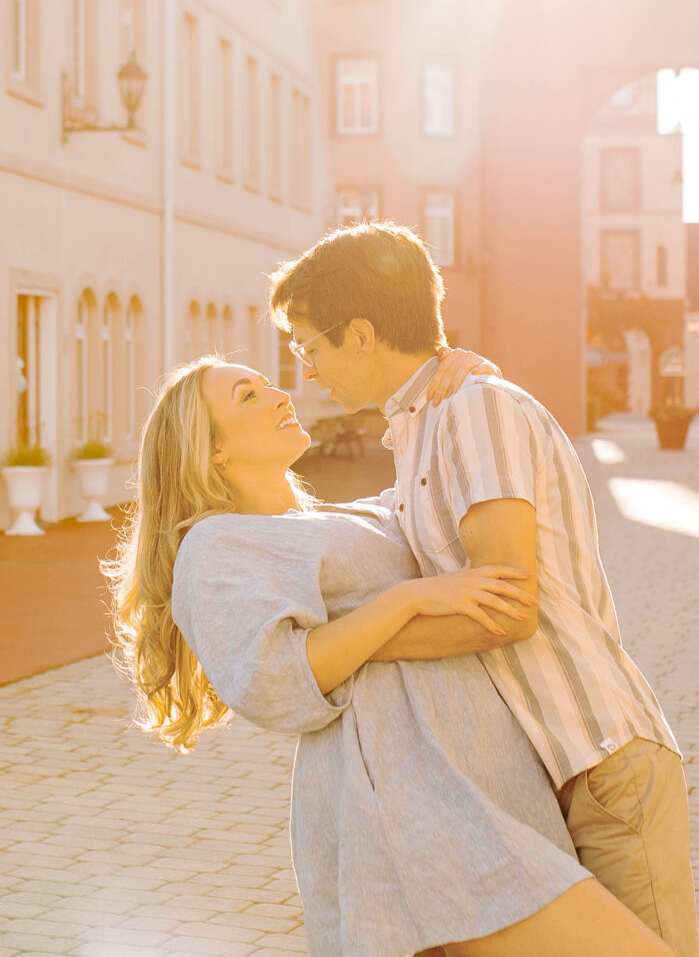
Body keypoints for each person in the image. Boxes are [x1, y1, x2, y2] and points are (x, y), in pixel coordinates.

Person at [107, 352, 672, 957]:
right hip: (410, 802)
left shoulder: (348, 516)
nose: (279, 394)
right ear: (213, 448)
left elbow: (433, 489)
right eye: (248, 395)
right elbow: (271, 681)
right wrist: (407, 599)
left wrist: (460, 373)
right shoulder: (216, 543)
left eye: (269, 383)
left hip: (489, 789)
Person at [267, 220, 699, 957]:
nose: (307, 371)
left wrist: (348, 649)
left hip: (598, 763)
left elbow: (507, 608)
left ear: (361, 334)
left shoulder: (474, 409)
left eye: (310, 347)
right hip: (533, 782)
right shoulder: (420, 425)